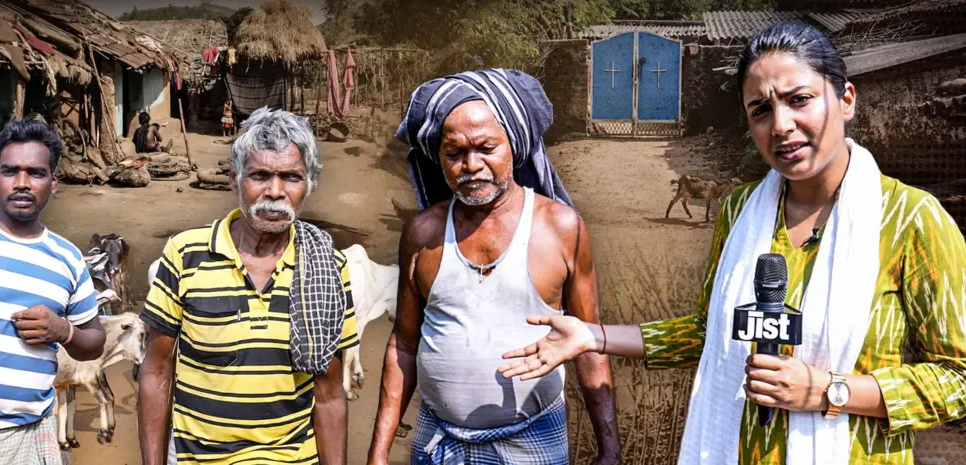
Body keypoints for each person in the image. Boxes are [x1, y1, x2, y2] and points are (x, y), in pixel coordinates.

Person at [498, 23, 966, 464]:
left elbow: (958, 379)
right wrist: (593, 337)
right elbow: (712, 333)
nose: (780, 124)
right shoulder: (741, 210)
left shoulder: (910, 219)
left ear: (845, 99)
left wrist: (829, 390)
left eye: (800, 99)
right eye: (760, 110)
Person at [367, 68, 619, 465]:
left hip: (532, 443)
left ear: (514, 147)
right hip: (439, 444)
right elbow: (404, 343)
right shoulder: (423, 232)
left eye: (486, 147)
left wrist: (609, 451)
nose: (471, 164)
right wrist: (379, 451)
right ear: (440, 157)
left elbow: (589, 344)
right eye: (455, 153)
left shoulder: (561, 227)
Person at [137, 106, 358, 465]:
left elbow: (330, 393)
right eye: (259, 175)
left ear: (310, 185)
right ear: (234, 179)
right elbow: (157, 372)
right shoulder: (186, 254)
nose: (275, 191)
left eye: (291, 177)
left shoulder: (328, 266)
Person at [0, 120, 107, 465]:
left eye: (35, 173)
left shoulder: (68, 259)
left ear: (53, 184)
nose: (21, 183)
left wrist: (65, 330)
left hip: (37, 430)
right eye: (10, 171)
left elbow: (95, 343)